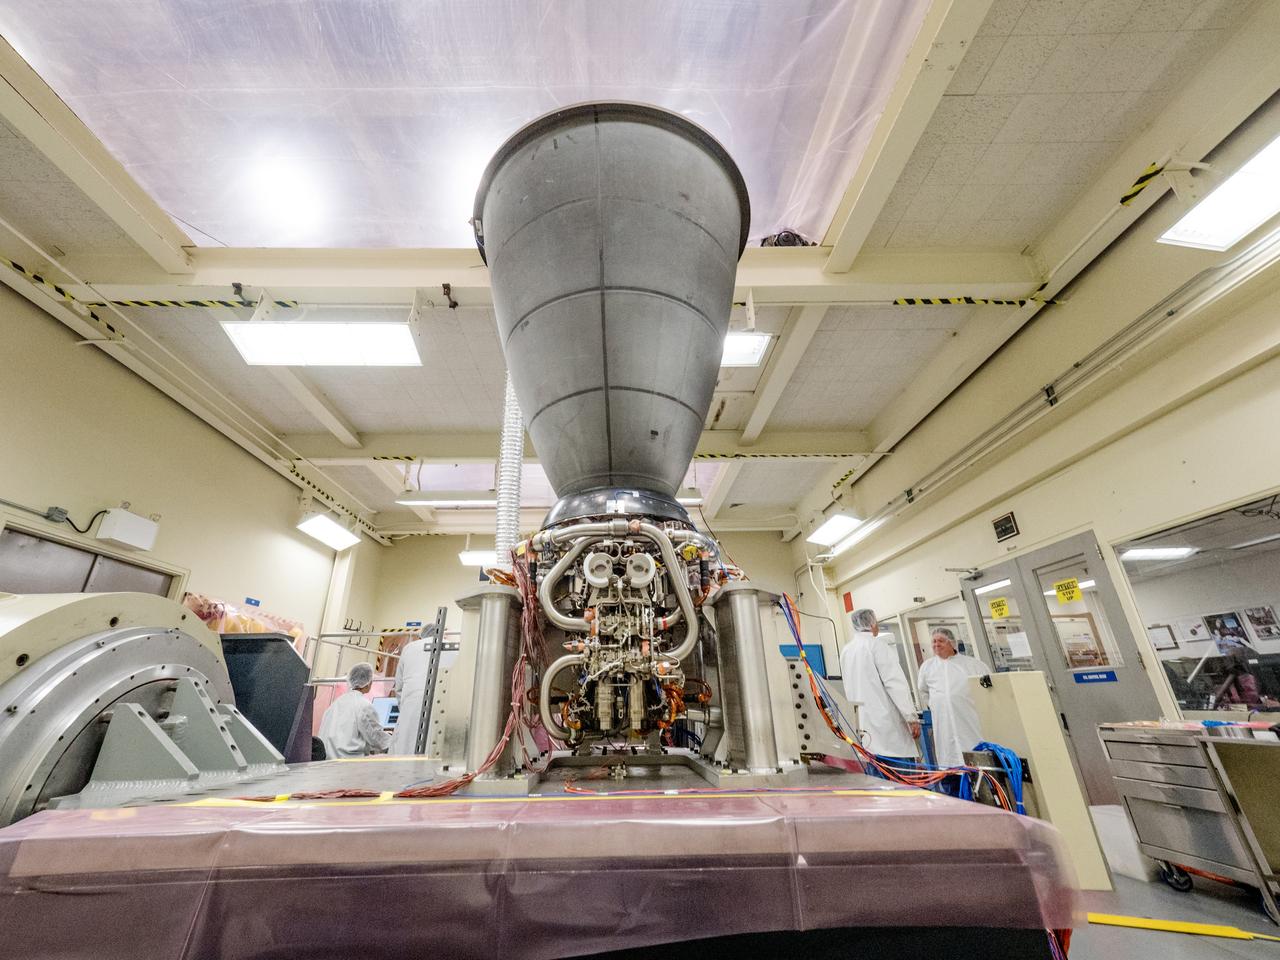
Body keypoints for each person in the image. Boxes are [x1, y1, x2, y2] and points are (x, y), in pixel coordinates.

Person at [840, 608, 919, 763]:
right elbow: (895, 684)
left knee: (877, 782)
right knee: (902, 782)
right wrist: (911, 717)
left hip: (863, 731)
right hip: (888, 732)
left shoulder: (847, 651)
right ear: (872, 624)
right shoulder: (877, 646)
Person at [916, 627, 987, 767]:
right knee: (949, 762)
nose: (936, 645)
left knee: (975, 760)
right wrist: (938, 704)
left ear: (952, 643)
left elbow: (987, 692)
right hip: (943, 722)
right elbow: (923, 690)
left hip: (969, 721)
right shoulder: (928, 667)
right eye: (934, 641)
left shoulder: (973, 665)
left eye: (941, 641)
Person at [317, 662, 391, 759]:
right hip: (348, 764)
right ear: (368, 683)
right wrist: (395, 739)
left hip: (326, 761)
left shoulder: (335, 704)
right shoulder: (364, 706)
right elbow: (377, 738)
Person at [389, 630, 433, 755]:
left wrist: (404, 708)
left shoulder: (409, 648)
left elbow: (399, 687)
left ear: (420, 636)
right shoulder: (452, 647)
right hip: (442, 710)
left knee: (405, 754)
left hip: (411, 708)